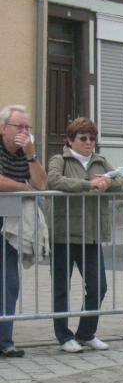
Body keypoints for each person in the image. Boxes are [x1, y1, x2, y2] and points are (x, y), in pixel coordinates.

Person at [47, 117, 123, 353]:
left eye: (92, 138)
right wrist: (88, 184)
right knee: (61, 289)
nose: (88, 142)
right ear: (70, 140)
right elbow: (54, 180)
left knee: (98, 286)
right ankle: (64, 336)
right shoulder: (59, 159)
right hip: (63, 234)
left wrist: (107, 184)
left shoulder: (100, 161)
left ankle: (86, 333)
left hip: (91, 235)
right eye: (83, 138)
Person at [0, 105, 47, 358]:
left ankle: (5, 341)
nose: (25, 131)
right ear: (3, 128)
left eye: (27, 127)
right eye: (19, 126)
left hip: (10, 223)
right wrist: (24, 188)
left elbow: (41, 184)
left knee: (9, 281)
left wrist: (31, 155)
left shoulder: (25, 151)